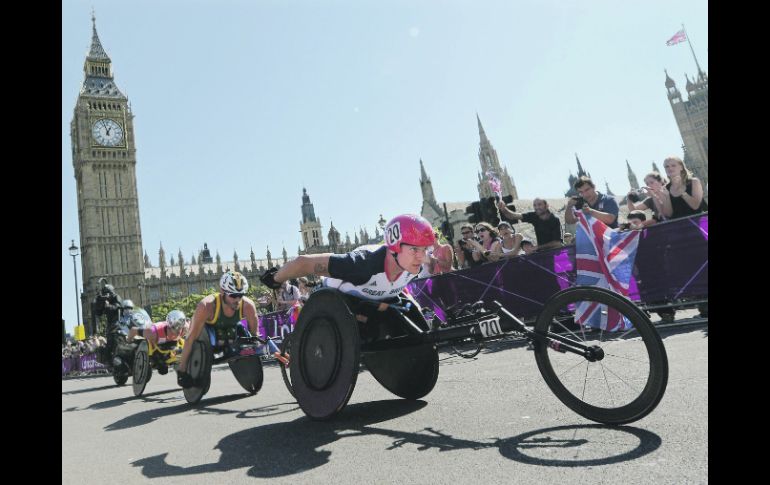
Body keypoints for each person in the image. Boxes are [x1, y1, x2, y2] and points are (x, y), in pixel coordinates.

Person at [260, 214, 435, 302]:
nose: (421, 257)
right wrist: (275, 279)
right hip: (336, 298)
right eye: (414, 250)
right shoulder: (360, 265)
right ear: (395, 248)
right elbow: (303, 263)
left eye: (425, 249)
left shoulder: (415, 264)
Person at [176, 271, 260, 388]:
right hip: (209, 333)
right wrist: (182, 370)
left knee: (243, 331)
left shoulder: (248, 305)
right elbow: (190, 339)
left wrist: (255, 344)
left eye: (241, 295)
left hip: (232, 330)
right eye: (233, 295)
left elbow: (255, 336)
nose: (237, 300)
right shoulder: (206, 306)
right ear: (222, 292)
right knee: (199, 337)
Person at [497, 197, 563, 251]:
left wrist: (537, 247)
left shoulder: (554, 219)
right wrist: (503, 208)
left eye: (539, 204)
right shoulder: (534, 216)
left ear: (547, 206)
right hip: (543, 254)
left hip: (557, 253)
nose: (537, 207)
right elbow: (513, 216)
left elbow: (557, 243)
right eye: (535, 205)